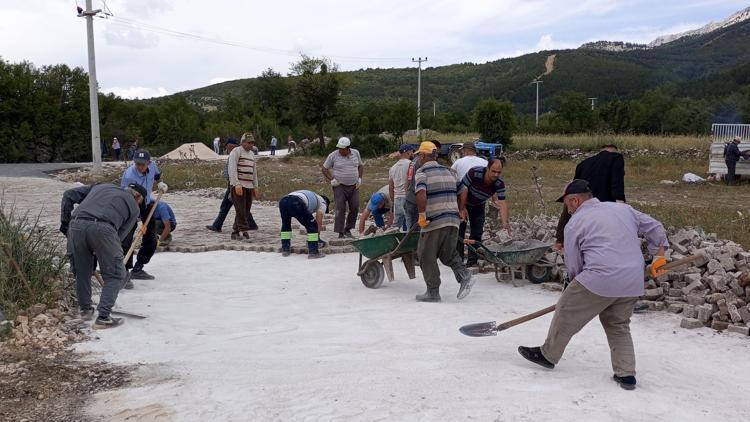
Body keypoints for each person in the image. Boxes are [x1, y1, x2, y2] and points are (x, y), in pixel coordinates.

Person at [518, 179, 669, 391]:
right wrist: (659, 256)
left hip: (600, 277)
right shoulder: (622, 209)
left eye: (567, 204)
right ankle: (626, 374)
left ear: (575, 200)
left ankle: (547, 355)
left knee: (565, 311)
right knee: (618, 325)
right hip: (633, 280)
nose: (567, 208)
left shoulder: (575, 223)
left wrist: (574, 288)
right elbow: (655, 227)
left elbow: (574, 264)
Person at [60, 183, 145, 329]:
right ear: (137, 196)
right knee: (115, 274)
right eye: (141, 201)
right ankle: (103, 317)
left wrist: (65, 223)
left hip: (75, 225)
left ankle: (85, 310)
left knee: (82, 271)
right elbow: (120, 236)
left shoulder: (100, 187)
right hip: (104, 228)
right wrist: (102, 248)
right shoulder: (134, 207)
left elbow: (68, 194)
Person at [413, 141, 473, 302]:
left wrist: (421, 215)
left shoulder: (422, 172)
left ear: (423, 155)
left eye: (419, 155)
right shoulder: (449, 171)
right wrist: (460, 209)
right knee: (448, 254)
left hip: (435, 220)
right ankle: (464, 275)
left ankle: (433, 292)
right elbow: (463, 190)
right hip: (453, 220)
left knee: (425, 255)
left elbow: (420, 193)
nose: (418, 158)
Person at [554, 144, 625, 250]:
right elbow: (617, 180)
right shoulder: (616, 157)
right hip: (603, 202)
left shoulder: (583, 163)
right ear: (614, 151)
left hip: (582, 202)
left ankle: (560, 242)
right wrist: (621, 203)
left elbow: (574, 187)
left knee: (568, 210)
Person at [120, 149, 168, 282]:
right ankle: (124, 272)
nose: (140, 167)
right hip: (130, 206)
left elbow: (157, 176)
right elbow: (126, 195)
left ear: (149, 163)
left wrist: (160, 183)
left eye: (143, 164)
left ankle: (138, 268)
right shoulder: (130, 175)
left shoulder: (152, 166)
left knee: (151, 238)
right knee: (127, 239)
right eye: (138, 164)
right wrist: (134, 215)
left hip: (146, 205)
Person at [457, 158, 510, 266]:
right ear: (487, 168)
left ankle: (472, 261)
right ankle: (457, 260)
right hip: (464, 202)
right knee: (460, 231)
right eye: (493, 171)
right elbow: (463, 189)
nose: (496, 175)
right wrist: (462, 208)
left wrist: (505, 223)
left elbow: (502, 203)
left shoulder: (499, 183)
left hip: (479, 205)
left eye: (499, 172)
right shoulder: (474, 172)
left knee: (477, 233)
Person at [206, 139, 259, 232]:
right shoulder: (235, 154)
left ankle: (219, 226)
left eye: (230, 145)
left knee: (233, 207)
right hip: (234, 184)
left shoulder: (237, 154)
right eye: (227, 145)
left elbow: (235, 171)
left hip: (235, 185)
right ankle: (250, 224)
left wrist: (236, 184)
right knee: (240, 206)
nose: (228, 147)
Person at [322, 137, 363, 239]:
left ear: (348, 148)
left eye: (343, 149)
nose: (340, 150)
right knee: (340, 208)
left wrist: (359, 179)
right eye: (339, 148)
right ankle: (340, 232)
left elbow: (360, 166)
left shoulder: (356, 153)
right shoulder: (333, 155)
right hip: (339, 186)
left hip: (354, 185)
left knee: (355, 206)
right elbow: (324, 169)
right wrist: (332, 180)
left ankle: (348, 229)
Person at [278, 190, 330, 259]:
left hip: (283, 201)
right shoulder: (323, 202)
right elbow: (318, 221)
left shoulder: (312, 196)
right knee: (313, 225)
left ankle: (285, 249)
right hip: (296, 202)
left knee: (286, 224)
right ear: (326, 203)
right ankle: (313, 252)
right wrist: (317, 237)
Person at [404, 140, 442, 230]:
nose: (436, 156)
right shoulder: (422, 164)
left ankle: (410, 243)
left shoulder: (413, 161)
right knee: (417, 231)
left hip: (410, 198)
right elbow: (421, 190)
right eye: (435, 152)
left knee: (411, 228)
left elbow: (408, 180)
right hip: (417, 201)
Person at [228, 132, 259, 241]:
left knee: (246, 210)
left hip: (249, 186)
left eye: (252, 142)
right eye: (249, 142)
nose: (251, 145)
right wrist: (236, 183)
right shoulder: (236, 151)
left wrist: (255, 186)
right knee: (240, 209)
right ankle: (244, 231)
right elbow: (231, 168)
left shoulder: (251, 154)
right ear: (243, 142)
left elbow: (254, 171)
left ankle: (235, 232)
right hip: (239, 185)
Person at [389, 144, 415, 231]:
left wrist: (394, 200)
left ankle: (392, 242)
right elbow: (411, 181)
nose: (413, 153)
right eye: (412, 151)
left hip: (397, 198)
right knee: (410, 225)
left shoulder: (392, 168)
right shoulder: (411, 164)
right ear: (407, 152)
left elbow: (391, 187)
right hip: (407, 198)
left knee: (395, 226)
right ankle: (410, 243)